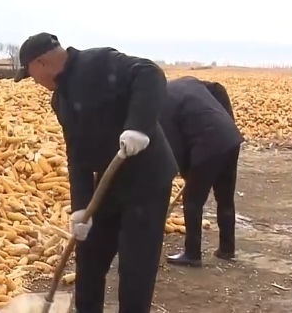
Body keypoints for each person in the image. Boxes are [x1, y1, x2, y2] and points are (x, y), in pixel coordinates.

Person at [13, 33, 178, 313]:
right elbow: (76, 155)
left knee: (135, 264)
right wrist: (80, 208)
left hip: (147, 180)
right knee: (89, 255)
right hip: (109, 182)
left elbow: (150, 73)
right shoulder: (60, 101)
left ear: (41, 63)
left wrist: (138, 127)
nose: (34, 82)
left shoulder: (97, 62)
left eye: (30, 74)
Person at [159, 76, 244, 267]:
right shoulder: (188, 82)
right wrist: (229, 122)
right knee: (225, 198)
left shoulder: (161, 105)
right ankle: (227, 249)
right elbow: (219, 90)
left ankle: (192, 254)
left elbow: (175, 147)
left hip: (208, 144)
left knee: (192, 201)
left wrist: (187, 174)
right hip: (231, 139)